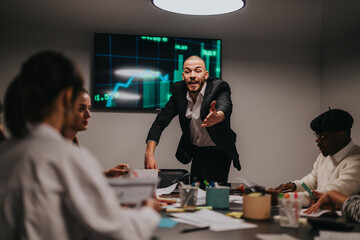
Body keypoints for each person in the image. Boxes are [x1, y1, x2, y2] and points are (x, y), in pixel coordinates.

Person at [0, 50, 160, 240]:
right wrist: (149, 211)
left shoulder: (6, 153)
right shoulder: (67, 157)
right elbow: (121, 232)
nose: (87, 114)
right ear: (68, 96)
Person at [145, 55, 241, 186]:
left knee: (213, 193)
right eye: (188, 71)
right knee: (195, 192)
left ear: (206, 75)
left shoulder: (219, 86)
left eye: (198, 70)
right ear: (183, 76)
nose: (192, 75)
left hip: (218, 152)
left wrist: (218, 116)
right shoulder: (178, 91)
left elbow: (226, 105)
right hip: (197, 151)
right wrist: (149, 153)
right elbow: (161, 121)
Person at [269, 109, 360, 206]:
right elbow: (312, 181)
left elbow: (327, 195)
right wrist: (294, 186)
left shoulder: (356, 162)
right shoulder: (324, 156)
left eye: (322, 137)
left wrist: (281, 198)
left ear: (340, 135)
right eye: (317, 135)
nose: (317, 140)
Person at [61, 88, 129, 178]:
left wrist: (106, 175)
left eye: (89, 108)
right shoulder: (55, 145)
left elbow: (80, 179)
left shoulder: (73, 142)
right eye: (81, 108)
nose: (89, 114)